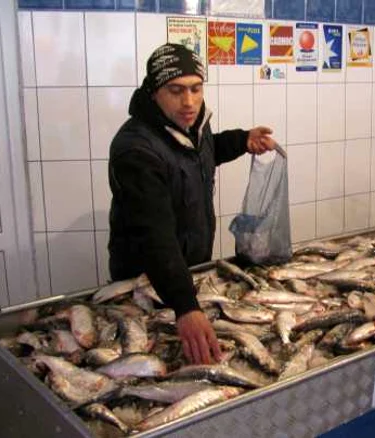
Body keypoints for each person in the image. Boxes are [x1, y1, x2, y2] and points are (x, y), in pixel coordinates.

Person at [108, 43, 277, 365]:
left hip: (188, 272)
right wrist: (185, 307)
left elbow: (201, 154)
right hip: (146, 282)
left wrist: (242, 140)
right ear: (154, 91)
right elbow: (154, 236)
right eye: (176, 90)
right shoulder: (135, 149)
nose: (189, 101)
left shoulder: (189, 125)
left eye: (196, 89)